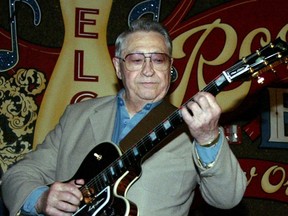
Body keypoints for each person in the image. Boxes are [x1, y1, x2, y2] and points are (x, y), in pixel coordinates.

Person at [1, 18, 247, 216]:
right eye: (137, 59)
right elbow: (17, 175)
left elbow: (228, 198)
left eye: (158, 59)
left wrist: (208, 138)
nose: (149, 70)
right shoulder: (77, 116)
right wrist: (41, 199)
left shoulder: (194, 126)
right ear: (118, 67)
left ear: (170, 67)